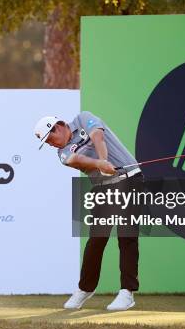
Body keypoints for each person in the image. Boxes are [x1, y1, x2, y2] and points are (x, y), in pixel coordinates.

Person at [33, 111, 144, 311]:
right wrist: (100, 165)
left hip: (130, 178)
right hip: (104, 187)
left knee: (127, 236)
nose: (51, 144)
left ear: (57, 127)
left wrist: (104, 159)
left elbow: (98, 136)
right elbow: (78, 160)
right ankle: (85, 288)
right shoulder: (62, 153)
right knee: (96, 240)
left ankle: (127, 292)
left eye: (50, 139)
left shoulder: (83, 119)